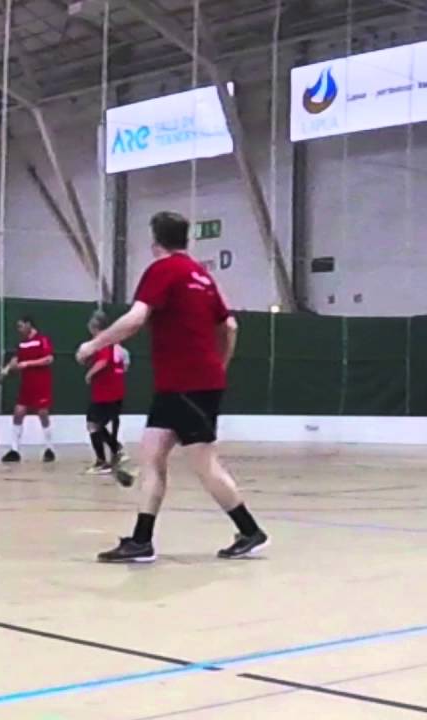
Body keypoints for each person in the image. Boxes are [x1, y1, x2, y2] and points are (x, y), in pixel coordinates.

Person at [77, 210, 269, 563]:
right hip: (181, 384)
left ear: (155, 241)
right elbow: (230, 327)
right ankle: (141, 540)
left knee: (204, 463)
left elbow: (136, 318)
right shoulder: (202, 276)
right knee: (151, 455)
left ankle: (249, 530)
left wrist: (94, 344)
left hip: (186, 384)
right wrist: (219, 366)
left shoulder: (163, 270)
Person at [1, 316, 56, 463]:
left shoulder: (42, 340)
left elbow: (49, 359)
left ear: (28, 324)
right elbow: (17, 358)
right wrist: (6, 369)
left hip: (41, 383)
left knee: (42, 413)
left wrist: (28, 364)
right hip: (26, 384)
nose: (19, 330)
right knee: (18, 412)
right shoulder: (22, 343)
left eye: (21, 326)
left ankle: (49, 448)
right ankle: (14, 449)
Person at [83, 310, 130, 479]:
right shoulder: (111, 342)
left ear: (95, 327)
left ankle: (102, 462)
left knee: (93, 424)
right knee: (98, 424)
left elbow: (103, 361)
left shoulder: (102, 342)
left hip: (105, 393)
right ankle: (116, 449)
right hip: (111, 391)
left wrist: (90, 374)